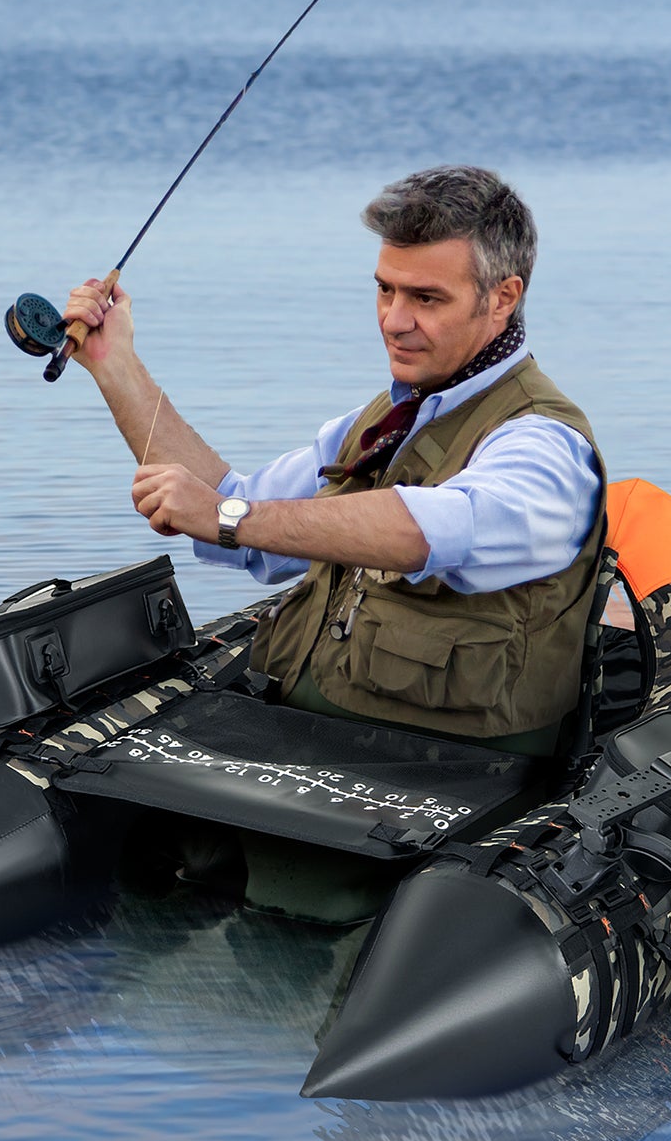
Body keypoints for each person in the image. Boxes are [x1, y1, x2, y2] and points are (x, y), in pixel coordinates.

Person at [64, 165, 604, 754]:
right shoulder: (382, 419)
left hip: (448, 778)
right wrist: (116, 366)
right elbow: (238, 505)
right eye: (385, 289)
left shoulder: (545, 445)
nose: (394, 321)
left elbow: (433, 529)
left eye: (426, 298)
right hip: (315, 738)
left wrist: (227, 514)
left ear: (502, 298)